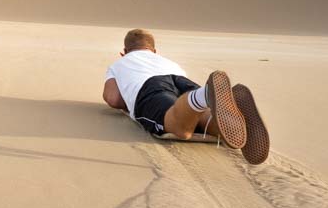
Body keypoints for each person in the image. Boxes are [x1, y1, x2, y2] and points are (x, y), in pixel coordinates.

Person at [102, 28, 269, 164]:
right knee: (201, 116)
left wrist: (128, 101)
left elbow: (113, 98)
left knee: (179, 127)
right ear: (154, 50)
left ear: (124, 52)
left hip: (150, 86)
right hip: (181, 80)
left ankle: (203, 96)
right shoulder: (167, 61)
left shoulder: (119, 64)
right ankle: (227, 119)